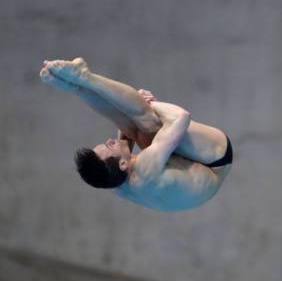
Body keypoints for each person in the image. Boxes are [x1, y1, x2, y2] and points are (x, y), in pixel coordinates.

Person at [40, 58, 232, 212]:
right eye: (108, 147)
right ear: (122, 164)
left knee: (132, 126)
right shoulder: (145, 170)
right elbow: (181, 117)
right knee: (149, 122)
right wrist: (148, 103)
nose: (109, 141)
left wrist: (130, 105)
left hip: (189, 182)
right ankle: (84, 78)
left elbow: (125, 132)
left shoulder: (115, 183)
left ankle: (77, 87)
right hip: (214, 161)